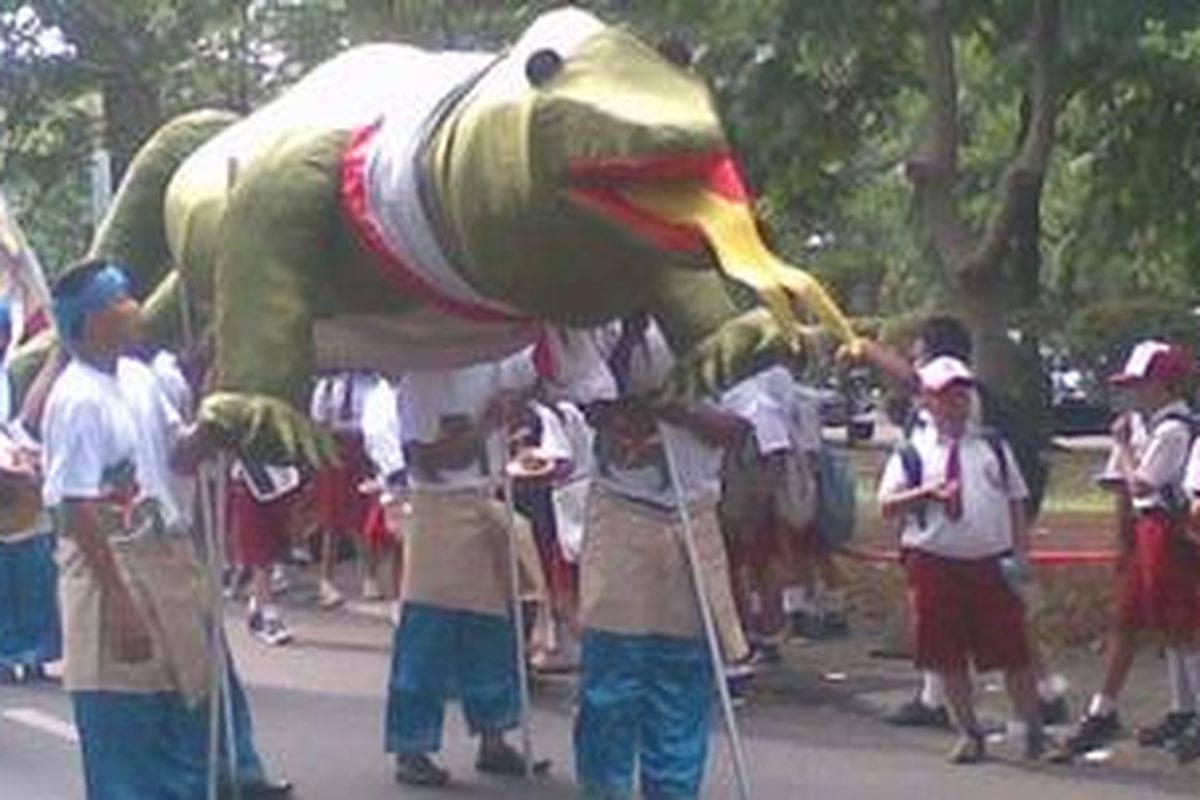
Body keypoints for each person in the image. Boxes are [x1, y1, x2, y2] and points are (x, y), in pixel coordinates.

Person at [42, 258, 290, 798]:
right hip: (112, 564)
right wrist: (121, 607)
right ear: (91, 322)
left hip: (167, 557)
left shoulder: (138, 376)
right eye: (121, 300)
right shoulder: (76, 398)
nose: (135, 308)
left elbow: (178, 456)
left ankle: (226, 776)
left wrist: (216, 424)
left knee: (187, 695)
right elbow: (77, 506)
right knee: (126, 713)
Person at [854, 315, 1066, 729]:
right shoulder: (940, 412)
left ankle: (1046, 690)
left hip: (987, 514)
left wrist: (865, 347)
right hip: (946, 525)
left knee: (1000, 618)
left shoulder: (965, 402)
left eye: (920, 352)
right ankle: (938, 698)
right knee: (940, 617)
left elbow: (914, 382)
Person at [573, 314, 749, 798]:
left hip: (692, 518)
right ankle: (604, 790)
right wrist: (629, 335)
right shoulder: (607, 327)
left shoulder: (725, 338)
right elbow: (592, 403)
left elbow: (738, 429)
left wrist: (676, 410)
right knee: (612, 680)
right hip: (622, 514)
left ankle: (672, 792)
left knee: (681, 676)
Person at [384, 350, 542, 787]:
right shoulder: (422, 375)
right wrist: (487, 425)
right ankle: (411, 746)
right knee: (427, 634)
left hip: (485, 498)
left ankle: (494, 737)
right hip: (439, 510)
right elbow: (426, 459)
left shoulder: (491, 356)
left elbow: (537, 368)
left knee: (492, 630)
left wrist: (517, 403)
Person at [878, 355, 1045, 764]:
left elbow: (1015, 501)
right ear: (928, 402)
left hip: (988, 561)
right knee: (946, 652)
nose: (957, 404)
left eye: (962, 395)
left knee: (1013, 650)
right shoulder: (912, 454)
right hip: (935, 560)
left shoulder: (991, 446)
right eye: (946, 397)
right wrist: (926, 494)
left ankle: (1034, 729)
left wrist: (1020, 553)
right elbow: (886, 505)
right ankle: (968, 731)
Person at [1054, 340, 1200, 763]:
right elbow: (1120, 486)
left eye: (1143, 384)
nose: (1135, 393)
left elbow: (1143, 483)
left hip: (1167, 526)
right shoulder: (1140, 423)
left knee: (1179, 622)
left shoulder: (1174, 428)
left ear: (1165, 384)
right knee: (1133, 617)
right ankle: (1156, 708)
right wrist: (1122, 537)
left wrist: (1122, 447)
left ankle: (1190, 710)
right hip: (1144, 527)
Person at [0, 298, 61, 682]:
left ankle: (35, 653)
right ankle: (5, 655)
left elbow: (24, 422)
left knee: (36, 572)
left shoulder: (16, 369)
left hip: (25, 481)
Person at [309, 370, 379, 606]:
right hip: (334, 450)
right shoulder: (327, 386)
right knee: (331, 519)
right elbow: (317, 420)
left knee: (361, 515)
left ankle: (369, 576)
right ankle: (326, 581)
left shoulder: (371, 384)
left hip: (360, 448)